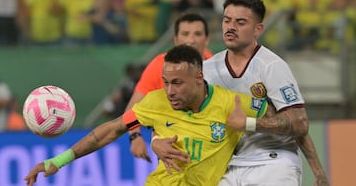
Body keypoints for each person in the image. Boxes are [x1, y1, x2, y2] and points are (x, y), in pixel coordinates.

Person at [24, 45, 268, 186]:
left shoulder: (231, 103)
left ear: (198, 78)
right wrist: (58, 161)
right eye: (165, 82)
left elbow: (287, 119)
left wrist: (247, 123)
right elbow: (110, 130)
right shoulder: (154, 103)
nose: (169, 91)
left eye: (177, 83)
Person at [152, 0, 330, 186]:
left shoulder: (271, 66)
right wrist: (156, 141)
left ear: (257, 29)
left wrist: (248, 123)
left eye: (240, 22)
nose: (231, 27)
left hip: (273, 162)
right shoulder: (208, 69)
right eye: (227, 20)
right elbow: (173, 111)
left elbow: (299, 123)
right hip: (230, 165)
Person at [126, 12, 213, 161]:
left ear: (207, 39)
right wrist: (135, 137)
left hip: (211, 152)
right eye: (185, 34)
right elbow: (131, 110)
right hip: (173, 154)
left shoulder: (217, 66)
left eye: (197, 34)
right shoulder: (159, 65)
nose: (191, 40)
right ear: (176, 39)